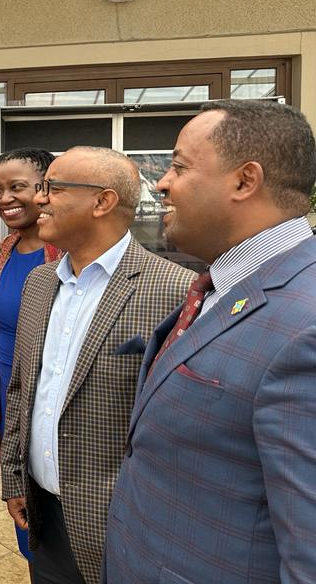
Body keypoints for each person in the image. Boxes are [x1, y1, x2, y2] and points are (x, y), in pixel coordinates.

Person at [105, 100, 316, 583]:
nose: (161, 183)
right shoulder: (223, 283)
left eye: (178, 167)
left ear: (245, 181)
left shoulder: (306, 328)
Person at [0, 146, 192, 584]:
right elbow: (22, 389)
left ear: (102, 201)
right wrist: (14, 477)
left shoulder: (175, 291)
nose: (39, 198)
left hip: (125, 524)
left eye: (53, 188)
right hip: (43, 515)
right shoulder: (39, 283)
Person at [0, 148, 62, 574]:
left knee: (57, 529)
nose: (4, 198)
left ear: (45, 189)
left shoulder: (66, 253)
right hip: (8, 401)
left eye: (17, 187)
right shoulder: (8, 247)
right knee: (25, 521)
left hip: (46, 405)